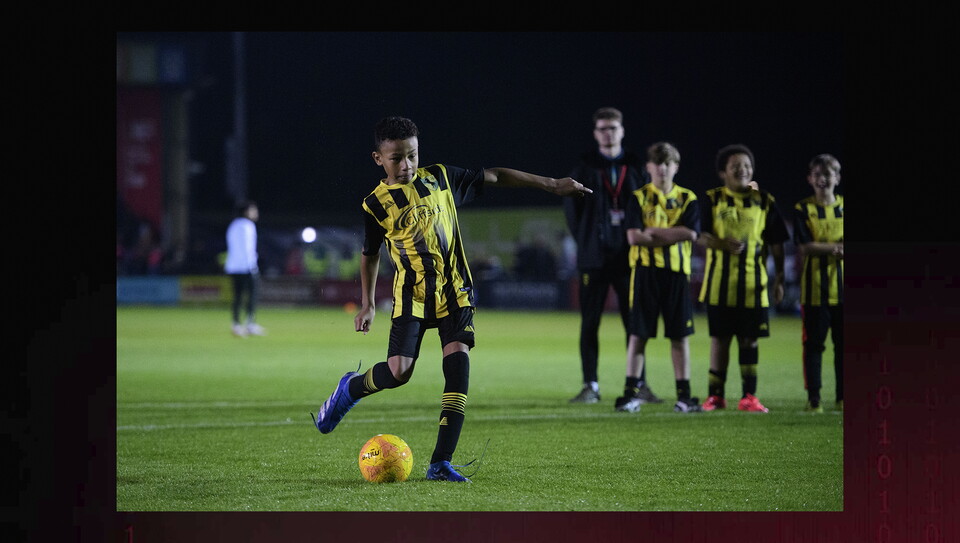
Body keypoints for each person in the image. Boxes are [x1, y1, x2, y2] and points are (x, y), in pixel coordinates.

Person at [313, 116, 591, 482]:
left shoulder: (441, 177)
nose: (407, 164)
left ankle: (440, 463)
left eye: (412, 154)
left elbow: (495, 175)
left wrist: (552, 184)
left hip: (455, 292)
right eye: (396, 157)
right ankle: (350, 388)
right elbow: (370, 254)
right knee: (399, 373)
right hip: (411, 296)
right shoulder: (374, 206)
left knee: (458, 366)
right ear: (378, 158)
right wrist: (366, 303)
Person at [563, 107, 661, 406]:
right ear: (596, 133)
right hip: (594, 257)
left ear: (622, 131)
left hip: (629, 256)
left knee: (634, 322)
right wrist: (587, 241)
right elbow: (572, 212)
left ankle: (639, 384)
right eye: (603, 128)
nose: (608, 133)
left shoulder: (635, 166)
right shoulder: (584, 167)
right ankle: (590, 385)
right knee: (590, 322)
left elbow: (650, 205)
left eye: (613, 128)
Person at [697, 144, 789, 413]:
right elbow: (698, 235)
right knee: (720, 340)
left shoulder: (765, 201)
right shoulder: (712, 199)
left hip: (754, 286)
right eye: (736, 166)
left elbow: (777, 242)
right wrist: (720, 243)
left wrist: (779, 279)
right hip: (718, 286)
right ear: (723, 172)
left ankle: (749, 396)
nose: (742, 170)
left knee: (750, 339)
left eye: (747, 166)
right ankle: (716, 396)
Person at [618, 142, 703, 413]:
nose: (663, 168)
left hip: (677, 274)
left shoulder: (688, 198)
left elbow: (691, 234)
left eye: (668, 163)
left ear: (676, 167)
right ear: (649, 167)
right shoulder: (638, 197)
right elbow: (633, 237)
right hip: (645, 273)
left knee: (679, 336)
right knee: (638, 334)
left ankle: (684, 397)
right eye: (658, 163)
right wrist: (673, 233)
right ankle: (630, 394)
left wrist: (652, 233)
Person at [792, 154, 844, 413]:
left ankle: (843, 396)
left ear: (838, 178)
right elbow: (805, 246)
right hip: (814, 290)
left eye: (829, 174)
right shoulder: (804, 209)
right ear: (810, 179)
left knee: (843, 347)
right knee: (813, 346)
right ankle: (814, 398)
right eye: (818, 175)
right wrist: (836, 247)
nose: (824, 179)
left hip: (844, 291)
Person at [224, 201, 266, 337]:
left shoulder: (233, 225)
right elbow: (248, 248)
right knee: (252, 295)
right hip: (247, 266)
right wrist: (252, 266)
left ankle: (236, 324)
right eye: (253, 210)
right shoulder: (248, 226)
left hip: (233, 266)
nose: (256, 213)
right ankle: (250, 324)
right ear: (246, 212)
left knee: (237, 296)